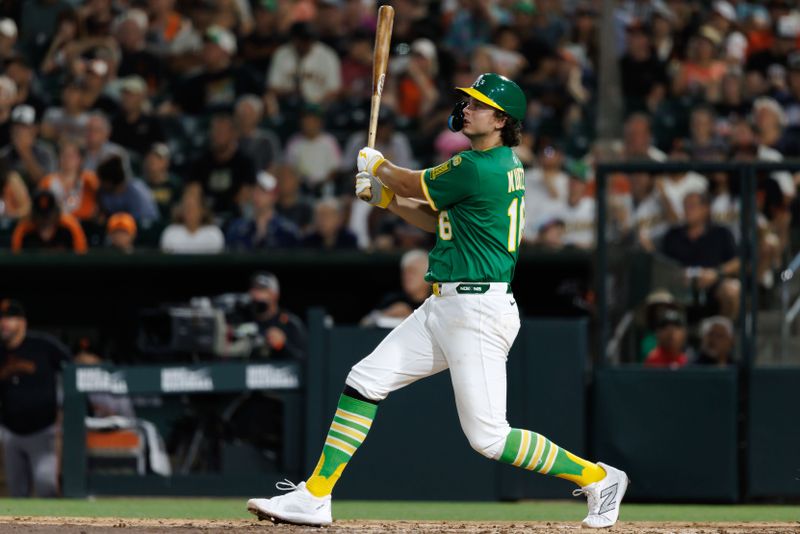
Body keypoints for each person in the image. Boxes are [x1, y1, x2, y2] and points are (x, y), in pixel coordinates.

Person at [247, 73, 628, 528]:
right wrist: (385, 197)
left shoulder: (477, 167)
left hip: (477, 310)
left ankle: (598, 478)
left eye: (478, 104)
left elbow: (414, 182)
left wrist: (379, 167)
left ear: (502, 119)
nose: (466, 108)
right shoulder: (494, 164)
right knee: (366, 379)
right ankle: (316, 495)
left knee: (488, 437)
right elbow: (436, 220)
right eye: (467, 101)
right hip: (445, 305)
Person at [0, 298, 72, 497]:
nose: (3, 323)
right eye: (1, 319)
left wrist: (64, 410)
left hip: (44, 430)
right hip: (11, 432)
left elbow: (71, 370)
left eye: (9, 318)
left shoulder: (42, 345)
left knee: (46, 485)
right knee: (16, 492)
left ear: (22, 322)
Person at [661, 191, 741, 320]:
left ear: (706, 209)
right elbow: (662, 264)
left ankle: (724, 331)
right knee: (658, 296)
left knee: (732, 289)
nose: (687, 211)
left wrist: (715, 273)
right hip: (679, 287)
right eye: (685, 207)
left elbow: (737, 262)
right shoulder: (673, 235)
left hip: (712, 287)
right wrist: (678, 276)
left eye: (692, 206)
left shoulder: (721, 233)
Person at [226, 171, 300, 251]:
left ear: (274, 196)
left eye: (263, 191)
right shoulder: (237, 228)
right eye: (254, 190)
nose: (256, 194)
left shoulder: (287, 231)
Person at [361, 249, 431, 328]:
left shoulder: (436, 301)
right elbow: (365, 323)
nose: (407, 277)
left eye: (413, 272)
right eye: (404, 273)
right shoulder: (393, 299)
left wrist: (411, 316)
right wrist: (387, 313)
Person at [248, 271, 307, 360]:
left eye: (262, 290)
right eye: (254, 289)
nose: (257, 295)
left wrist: (283, 345)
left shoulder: (289, 323)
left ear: (275, 295)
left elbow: (307, 362)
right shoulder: (243, 318)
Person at [40, 140, 100, 222]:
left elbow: (92, 209)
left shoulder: (89, 180)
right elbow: (42, 207)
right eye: (64, 155)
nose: (67, 159)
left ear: (80, 159)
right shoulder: (47, 181)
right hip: (54, 224)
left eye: (72, 156)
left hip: (84, 224)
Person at [11, 189, 87, 253]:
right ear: (34, 214)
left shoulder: (69, 226)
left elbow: (81, 255)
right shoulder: (24, 230)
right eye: (41, 215)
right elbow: (16, 258)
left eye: (48, 215)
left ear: (56, 212)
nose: (45, 219)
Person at [159, 190, 224, 254]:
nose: (189, 212)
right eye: (186, 207)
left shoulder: (213, 233)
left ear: (202, 210)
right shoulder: (170, 232)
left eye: (193, 208)